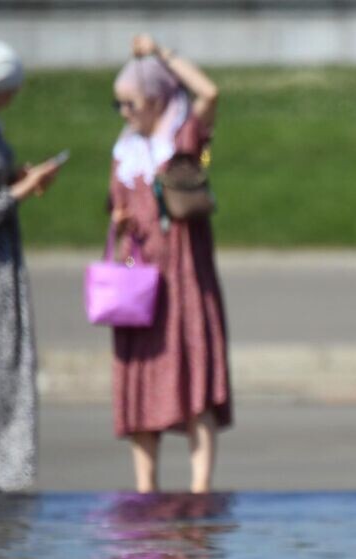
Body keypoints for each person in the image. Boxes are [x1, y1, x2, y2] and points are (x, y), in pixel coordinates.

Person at [108, 33, 232, 494]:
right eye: (118, 105)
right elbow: (117, 206)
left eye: (132, 103)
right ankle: (145, 489)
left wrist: (161, 54)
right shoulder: (124, 152)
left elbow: (209, 92)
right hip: (140, 282)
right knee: (142, 382)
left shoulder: (183, 137)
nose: (124, 113)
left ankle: (201, 489)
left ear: (158, 100)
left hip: (183, 277)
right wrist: (120, 221)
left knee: (193, 373)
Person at [0, 39, 64, 494]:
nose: (9, 100)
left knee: (4, 367)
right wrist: (20, 192)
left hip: (0, 264)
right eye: (2, 91)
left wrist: (16, 177)